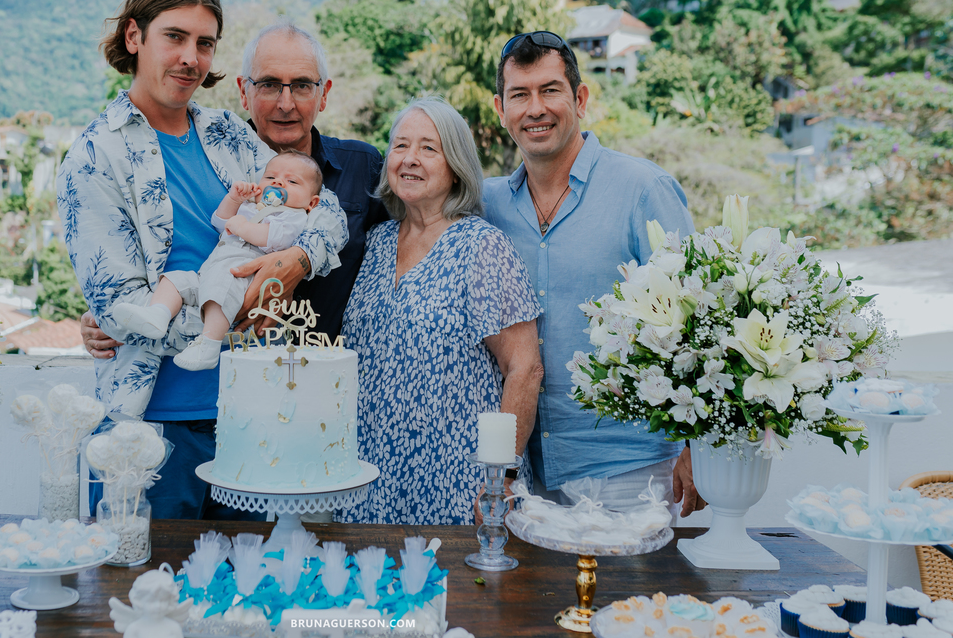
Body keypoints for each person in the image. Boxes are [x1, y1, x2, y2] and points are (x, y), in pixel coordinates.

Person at [55, 0, 348, 520]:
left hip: (256, 413)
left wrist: (297, 259)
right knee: (144, 598)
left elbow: (322, 210)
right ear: (134, 37)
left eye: (205, 43)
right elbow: (120, 312)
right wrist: (233, 312)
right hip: (152, 428)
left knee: (253, 597)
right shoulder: (93, 158)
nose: (191, 57)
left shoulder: (228, 135)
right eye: (175, 37)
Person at [483, 31, 706, 516]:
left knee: (629, 597)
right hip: (525, 476)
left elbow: (701, 319)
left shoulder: (643, 190)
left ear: (580, 98)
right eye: (519, 95)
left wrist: (699, 448)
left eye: (550, 90)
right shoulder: (487, 204)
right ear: (500, 110)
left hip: (630, 469)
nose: (535, 108)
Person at [81, 23, 390, 356]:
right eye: (269, 85)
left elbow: (402, 254)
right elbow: (157, 259)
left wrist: (299, 260)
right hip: (226, 380)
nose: (286, 103)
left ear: (324, 93)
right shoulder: (207, 168)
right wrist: (108, 318)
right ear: (244, 92)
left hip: (328, 380)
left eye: (302, 85)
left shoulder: (364, 166)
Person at [338, 97, 545, 526]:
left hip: (459, 481)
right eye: (400, 146)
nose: (410, 159)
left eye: (429, 149)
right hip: (369, 477)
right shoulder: (375, 243)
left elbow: (524, 369)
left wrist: (499, 479)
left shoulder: (481, 246)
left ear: (456, 167)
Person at [113, 150, 324, 370]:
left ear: (312, 202)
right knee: (175, 281)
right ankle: (157, 315)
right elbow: (220, 222)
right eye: (270, 177)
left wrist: (242, 226)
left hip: (242, 275)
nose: (278, 182)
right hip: (210, 271)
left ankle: (209, 345)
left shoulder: (295, 216)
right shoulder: (251, 207)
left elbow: (272, 237)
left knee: (218, 296)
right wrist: (234, 200)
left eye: (291, 181)